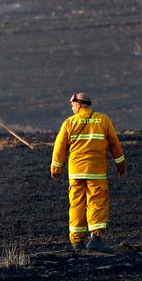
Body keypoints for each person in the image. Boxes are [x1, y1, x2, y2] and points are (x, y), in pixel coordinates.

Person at [51, 93, 125, 252]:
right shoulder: (103, 120)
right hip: (96, 171)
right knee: (97, 202)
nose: (72, 108)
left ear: (78, 104)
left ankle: (77, 242)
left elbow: (59, 147)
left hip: (76, 172)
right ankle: (95, 238)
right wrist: (120, 165)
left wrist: (56, 168)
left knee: (76, 204)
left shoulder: (69, 122)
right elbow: (114, 144)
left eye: (72, 105)